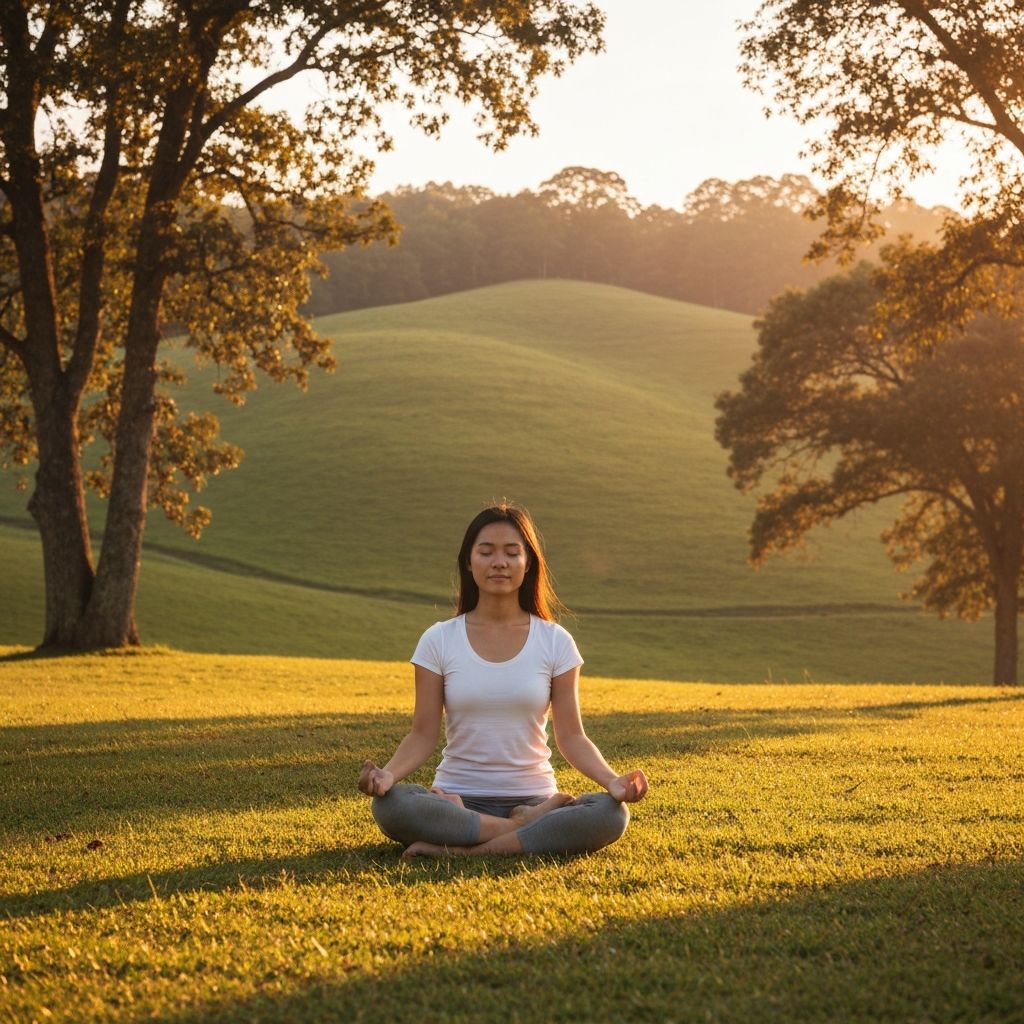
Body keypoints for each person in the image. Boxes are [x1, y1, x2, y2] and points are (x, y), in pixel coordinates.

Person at [358, 502, 648, 858]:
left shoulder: (555, 641)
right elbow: (422, 734)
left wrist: (611, 781)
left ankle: (467, 851)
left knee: (610, 815)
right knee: (390, 806)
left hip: (533, 795)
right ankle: (519, 830)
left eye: (512, 553)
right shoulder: (439, 639)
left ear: (528, 564)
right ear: (468, 561)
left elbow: (572, 736)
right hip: (457, 798)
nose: (500, 562)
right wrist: (388, 775)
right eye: (486, 552)